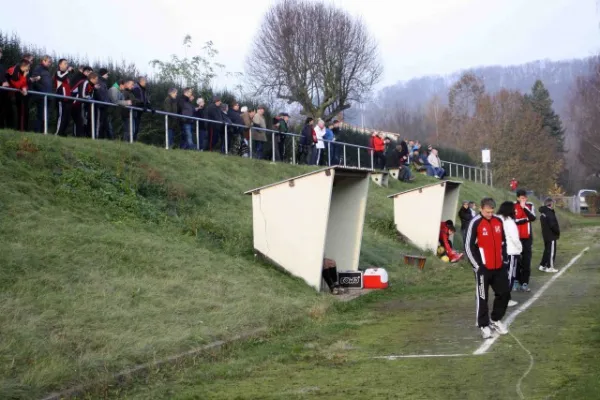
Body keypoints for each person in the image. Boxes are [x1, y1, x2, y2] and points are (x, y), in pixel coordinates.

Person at [465, 197, 510, 339]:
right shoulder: (475, 223)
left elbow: (503, 241)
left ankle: (495, 319)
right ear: (481, 209)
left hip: (499, 267)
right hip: (483, 268)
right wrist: (477, 266)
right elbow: (468, 246)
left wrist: (505, 259)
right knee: (482, 297)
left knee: (505, 294)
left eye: (491, 211)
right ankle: (483, 325)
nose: (489, 214)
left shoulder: (498, 221)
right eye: (487, 212)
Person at [497, 201, 522, 308]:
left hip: (501, 251)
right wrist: (520, 248)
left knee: (504, 275)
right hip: (511, 251)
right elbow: (514, 238)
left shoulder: (497, 219)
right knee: (510, 276)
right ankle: (505, 299)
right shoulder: (509, 222)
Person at [513, 189, 536, 292]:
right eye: (522, 198)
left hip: (527, 238)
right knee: (516, 261)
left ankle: (525, 282)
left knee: (527, 261)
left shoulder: (530, 205)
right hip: (516, 238)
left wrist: (524, 208)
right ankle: (516, 281)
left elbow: (533, 217)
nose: (524, 199)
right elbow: (513, 221)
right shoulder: (512, 206)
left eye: (525, 197)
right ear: (518, 198)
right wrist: (525, 220)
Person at [5, 59, 31, 132]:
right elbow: (17, 85)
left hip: (13, 93)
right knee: (7, 112)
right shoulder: (14, 70)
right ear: (24, 66)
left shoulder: (23, 72)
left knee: (20, 111)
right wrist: (24, 77)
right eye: (28, 67)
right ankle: (18, 129)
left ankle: (21, 130)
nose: (29, 69)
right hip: (6, 93)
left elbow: (24, 84)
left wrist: (25, 89)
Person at [71, 72, 98, 137]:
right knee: (78, 120)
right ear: (92, 79)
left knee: (82, 120)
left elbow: (90, 95)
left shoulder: (92, 86)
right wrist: (89, 98)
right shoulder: (85, 82)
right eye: (96, 79)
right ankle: (77, 135)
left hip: (82, 105)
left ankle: (81, 135)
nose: (97, 81)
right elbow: (82, 95)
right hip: (75, 103)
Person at [31, 56, 53, 133]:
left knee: (45, 116)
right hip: (41, 96)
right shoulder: (38, 68)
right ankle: (37, 132)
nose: (50, 64)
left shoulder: (47, 71)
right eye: (49, 62)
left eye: (51, 62)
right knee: (41, 115)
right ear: (43, 60)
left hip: (48, 96)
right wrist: (42, 90)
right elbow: (34, 80)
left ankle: (43, 132)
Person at [538, 198, 560, 273]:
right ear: (550, 204)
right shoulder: (549, 212)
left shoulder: (543, 212)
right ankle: (549, 267)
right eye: (553, 203)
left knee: (547, 250)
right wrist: (557, 232)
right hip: (551, 235)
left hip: (546, 235)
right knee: (551, 252)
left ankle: (542, 265)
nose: (554, 205)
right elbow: (552, 225)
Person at [53, 59, 74, 136]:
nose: (67, 65)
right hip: (61, 99)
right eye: (65, 63)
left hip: (68, 99)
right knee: (61, 117)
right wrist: (68, 71)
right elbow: (60, 78)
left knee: (67, 118)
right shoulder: (58, 73)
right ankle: (57, 133)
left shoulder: (67, 76)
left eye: (67, 64)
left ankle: (62, 133)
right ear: (60, 65)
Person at [94, 68, 113, 139]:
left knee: (104, 123)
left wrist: (108, 102)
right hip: (100, 106)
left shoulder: (103, 83)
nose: (108, 76)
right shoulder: (98, 82)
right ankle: (97, 137)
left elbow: (105, 95)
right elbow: (100, 94)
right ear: (103, 74)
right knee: (99, 123)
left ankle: (101, 138)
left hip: (104, 106)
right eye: (107, 74)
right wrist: (105, 102)